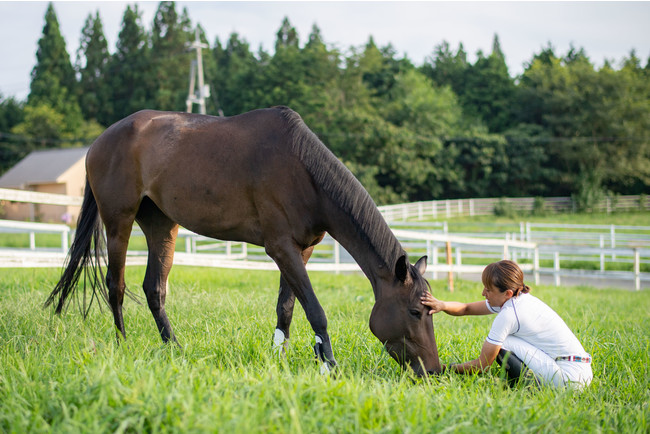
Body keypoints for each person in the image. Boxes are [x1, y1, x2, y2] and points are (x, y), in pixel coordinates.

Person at [421, 260, 592, 389]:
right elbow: (466, 308)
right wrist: (441, 305)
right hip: (580, 371)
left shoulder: (509, 314)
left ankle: (528, 388)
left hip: (569, 378)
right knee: (506, 340)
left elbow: (482, 365)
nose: (483, 293)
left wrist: (443, 368)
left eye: (488, 289)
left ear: (507, 293)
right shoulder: (518, 299)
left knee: (505, 341)